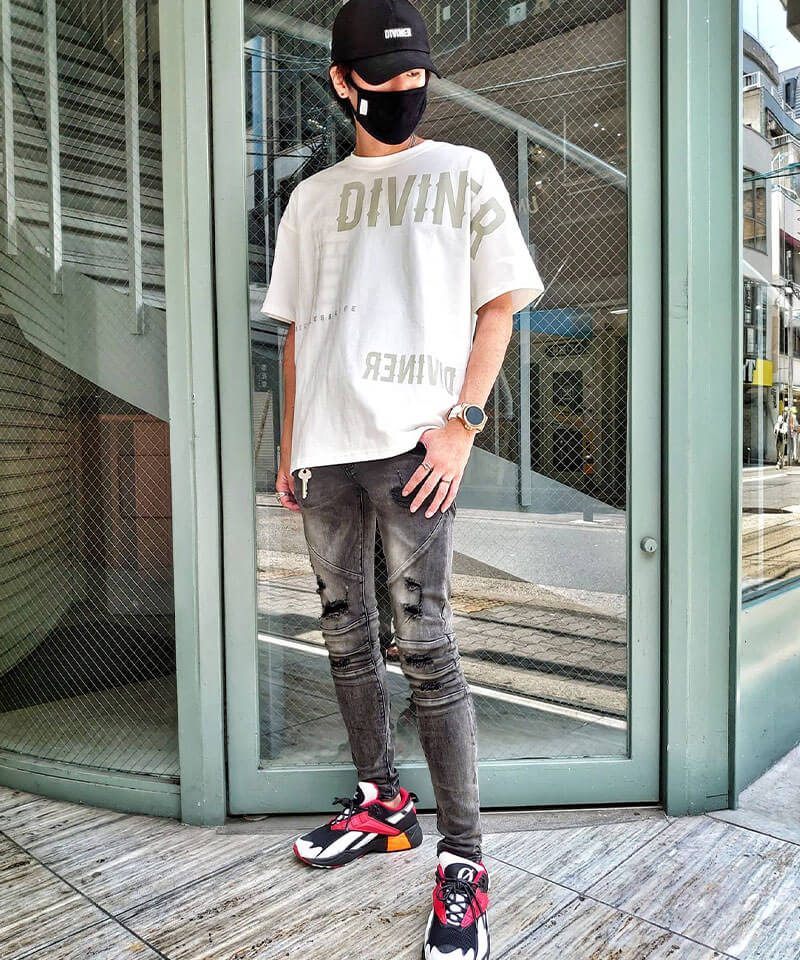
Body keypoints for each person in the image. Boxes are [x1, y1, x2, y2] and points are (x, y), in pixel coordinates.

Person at [261, 2, 544, 957]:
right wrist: (290, 445)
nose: (400, 95)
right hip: (327, 448)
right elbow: (297, 333)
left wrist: (462, 426)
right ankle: (382, 803)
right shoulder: (312, 199)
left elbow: (499, 309)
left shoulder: (464, 173)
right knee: (345, 633)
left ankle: (464, 861)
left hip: (416, 449)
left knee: (427, 645)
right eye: (380, 82)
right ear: (341, 83)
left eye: (415, 79)